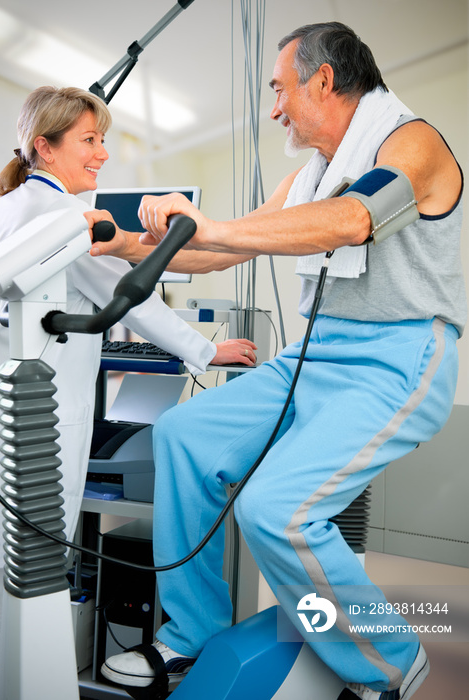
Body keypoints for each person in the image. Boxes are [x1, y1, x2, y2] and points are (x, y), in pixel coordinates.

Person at [88, 22, 466, 700]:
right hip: (314, 357)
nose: (273, 109)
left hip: (397, 360)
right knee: (180, 435)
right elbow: (222, 250)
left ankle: (391, 666)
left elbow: (354, 219)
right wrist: (115, 245)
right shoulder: (309, 176)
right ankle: (192, 630)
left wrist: (214, 227)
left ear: (322, 79)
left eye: (278, 90)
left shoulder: (412, 142)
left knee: (277, 510)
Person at [0, 85, 256, 700]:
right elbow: (135, 297)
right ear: (44, 147)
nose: (102, 153)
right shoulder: (65, 218)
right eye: (88, 140)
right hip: (28, 425)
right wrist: (208, 350)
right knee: (15, 588)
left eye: (103, 139)